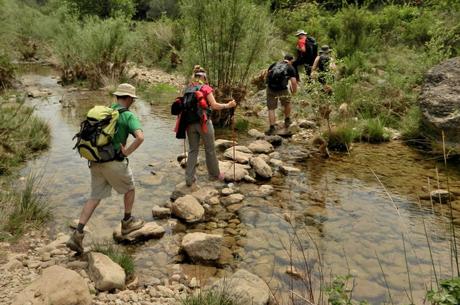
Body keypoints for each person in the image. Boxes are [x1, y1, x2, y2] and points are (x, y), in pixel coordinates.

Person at [66, 83, 145, 254]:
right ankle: (127, 222)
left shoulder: (105, 112)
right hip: (114, 162)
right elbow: (140, 137)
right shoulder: (128, 116)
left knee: (94, 197)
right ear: (130, 99)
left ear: (117, 97)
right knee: (130, 189)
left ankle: (77, 233)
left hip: (95, 161)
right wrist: (127, 152)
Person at [183, 65, 237, 186]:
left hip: (189, 123)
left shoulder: (187, 89)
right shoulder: (205, 88)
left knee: (193, 150)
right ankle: (214, 175)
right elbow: (214, 106)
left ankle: (189, 178)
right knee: (210, 149)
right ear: (203, 77)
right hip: (204, 123)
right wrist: (229, 105)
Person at [265, 54, 298, 135]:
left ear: (284, 59)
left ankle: (272, 127)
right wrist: (294, 92)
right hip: (282, 90)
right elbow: (294, 82)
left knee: (271, 109)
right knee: (287, 103)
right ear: (291, 60)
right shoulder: (290, 67)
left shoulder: (274, 64)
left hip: (271, 89)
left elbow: (267, 75)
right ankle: (287, 120)